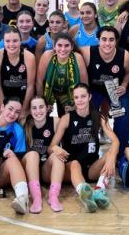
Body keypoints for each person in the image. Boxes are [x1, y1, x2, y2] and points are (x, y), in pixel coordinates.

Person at [47, 83, 119, 212]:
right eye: (76, 97)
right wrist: (55, 148)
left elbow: (115, 141)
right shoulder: (66, 119)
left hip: (92, 168)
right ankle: (84, 194)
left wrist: (112, 157)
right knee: (75, 163)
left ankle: (99, 191)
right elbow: (51, 147)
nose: (80, 100)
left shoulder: (99, 117)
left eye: (83, 96)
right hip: (72, 168)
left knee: (110, 153)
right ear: (73, 99)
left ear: (89, 97)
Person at [81, 26, 129, 156]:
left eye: (111, 40)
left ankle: (121, 156)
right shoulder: (87, 52)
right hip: (94, 90)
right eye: (104, 39)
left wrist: (125, 85)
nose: (107, 43)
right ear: (98, 40)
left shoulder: (125, 55)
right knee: (87, 117)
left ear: (116, 41)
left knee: (123, 120)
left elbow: (128, 72)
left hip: (115, 90)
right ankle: (88, 154)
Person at [36, 32, 88, 115]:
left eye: (67, 45)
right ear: (54, 46)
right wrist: (42, 104)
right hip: (50, 92)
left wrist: (77, 105)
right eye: (59, 45)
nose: (63, 49)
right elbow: (39, 82)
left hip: (69, 94)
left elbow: (84, 84)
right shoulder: (47, 56)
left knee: (70, 117)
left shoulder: (77, 57)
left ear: (72, 47)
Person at [22, 96, 57, 213]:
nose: (38, 111)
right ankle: (36, 197)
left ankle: (53, 196)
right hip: (30, 169)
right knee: (33, 154)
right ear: (30, 111)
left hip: (46, 170)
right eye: (34, 108)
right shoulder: (24, 124)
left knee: (57, 155)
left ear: (47, 108)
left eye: (41, 107)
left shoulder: (55, 121)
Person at [0, 27, 36, 115]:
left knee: (23, 122)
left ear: (20, 41)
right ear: (3, 42)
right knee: (2, 120)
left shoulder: (29, 57)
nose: (11, 44)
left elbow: (30, 86)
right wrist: (3, 107)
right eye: (7, 41)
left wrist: (23, 109)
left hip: (23, 98)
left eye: (15, 41)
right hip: (4, 97)